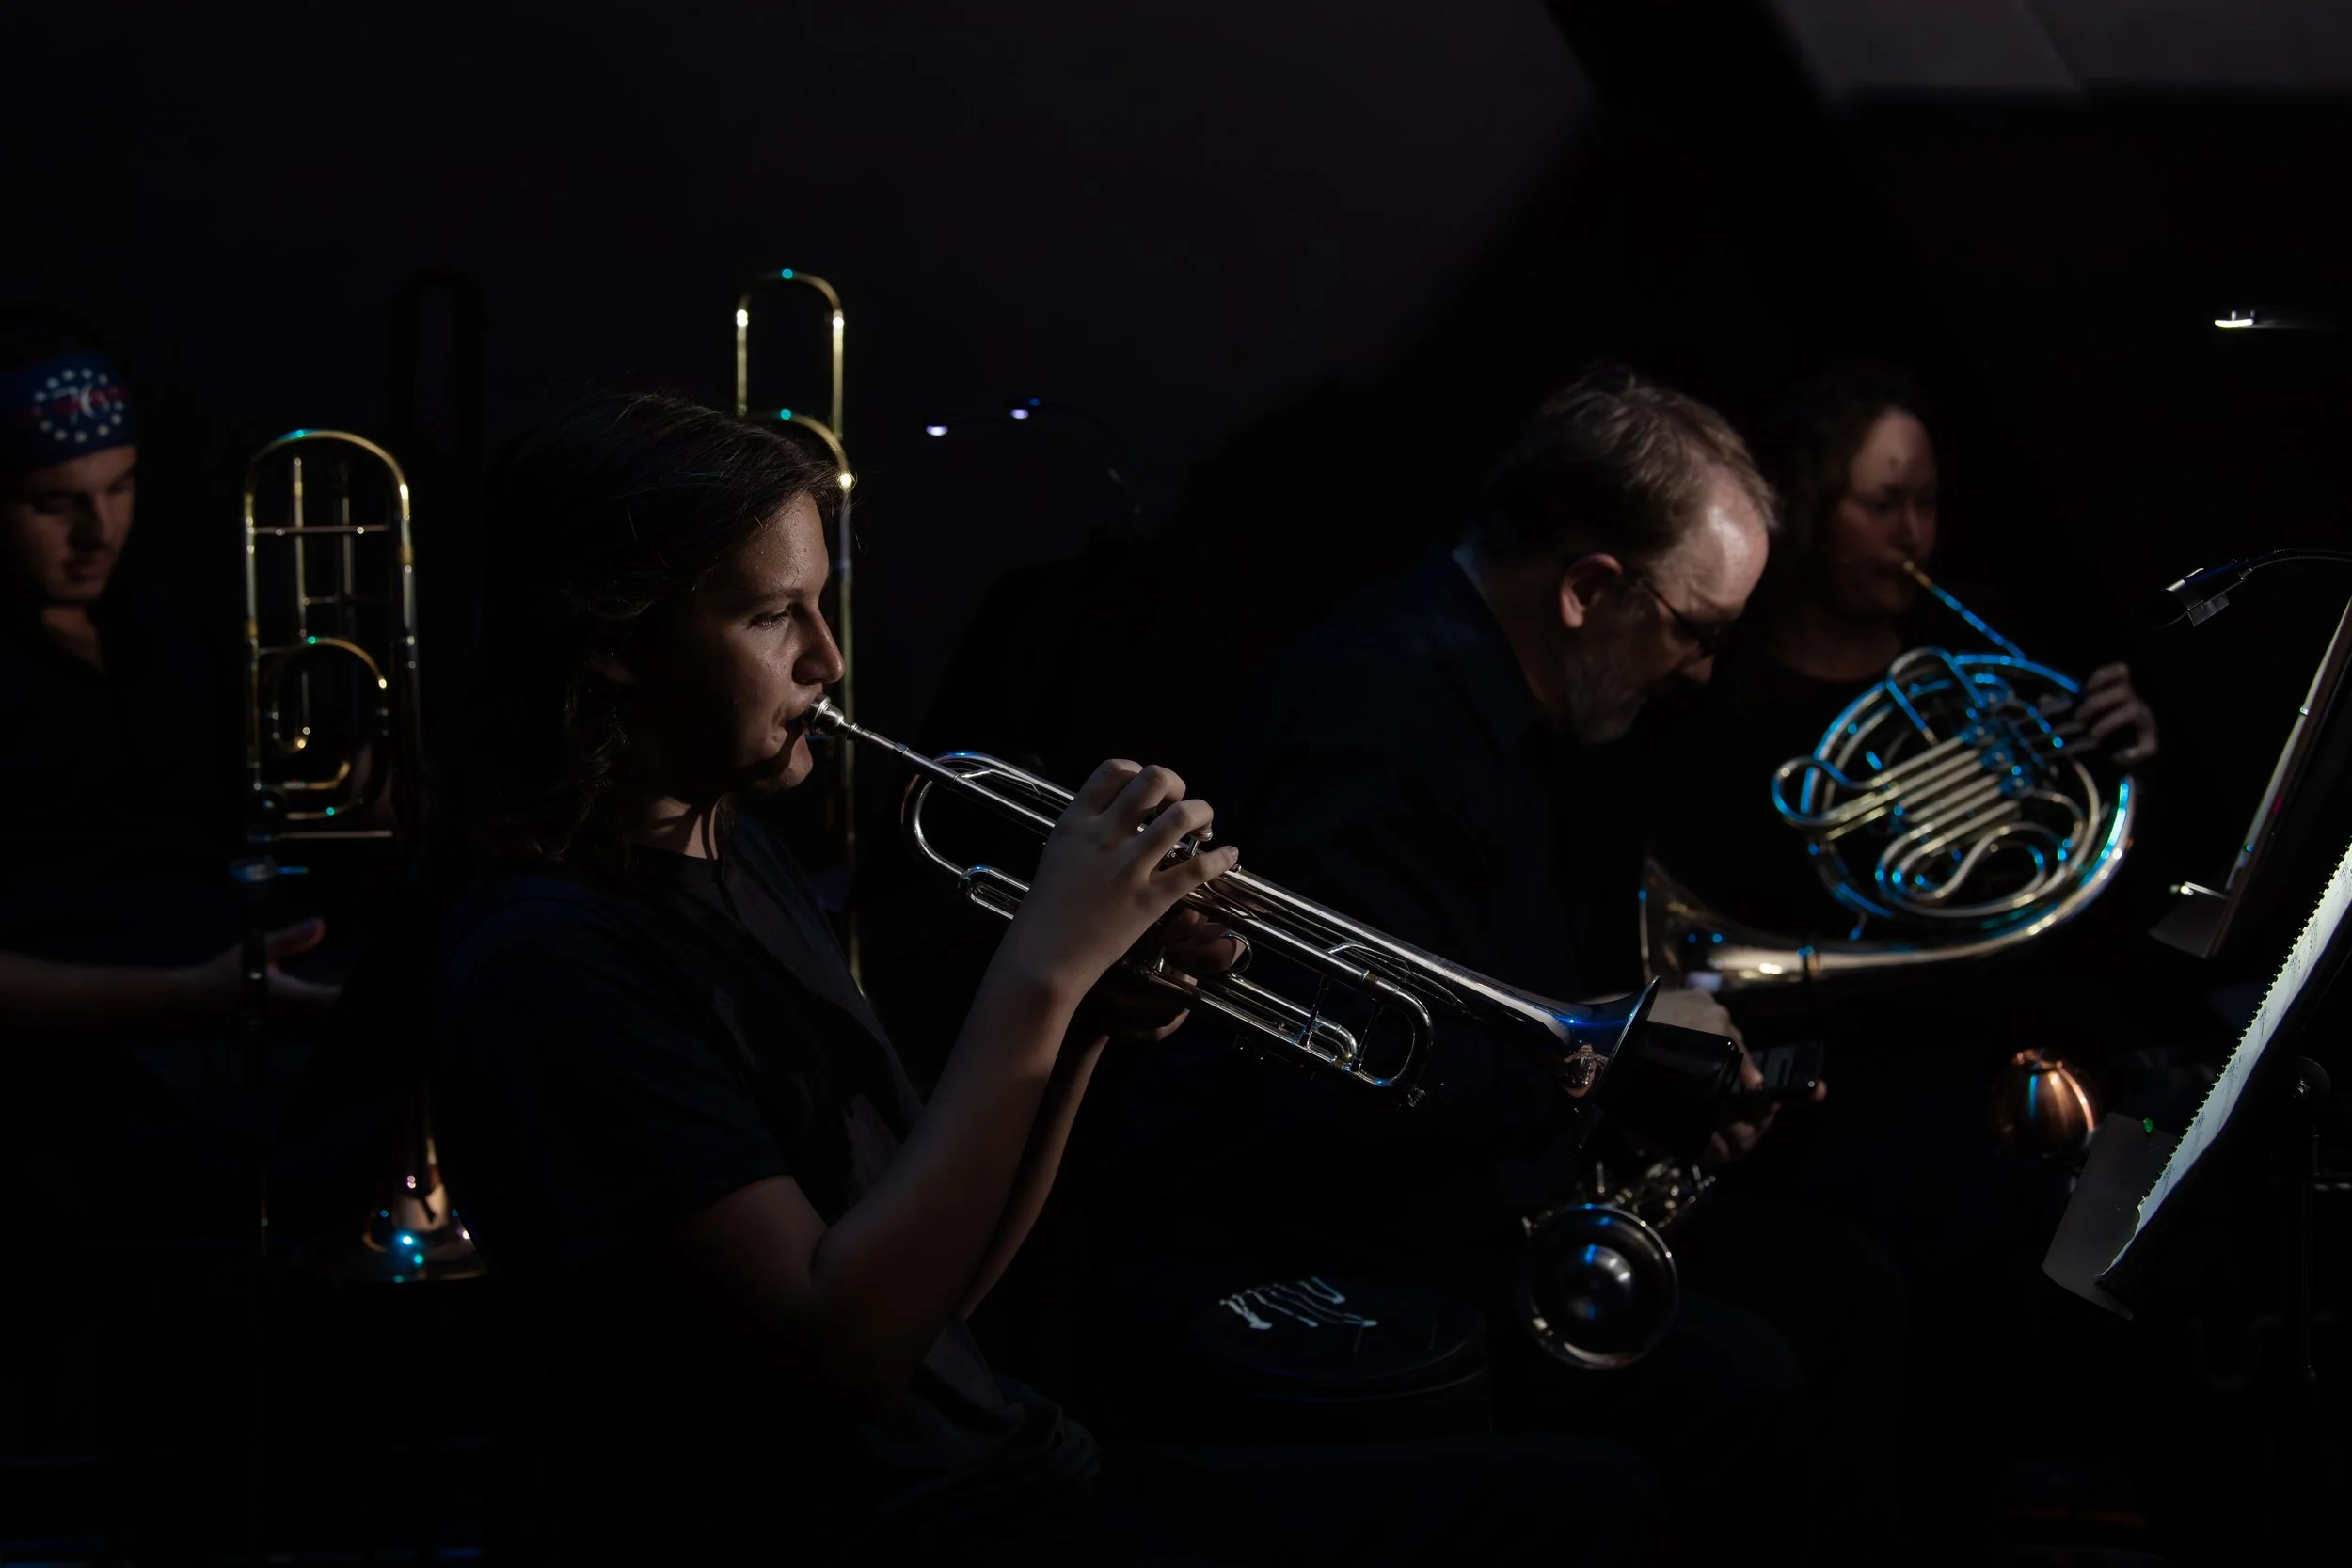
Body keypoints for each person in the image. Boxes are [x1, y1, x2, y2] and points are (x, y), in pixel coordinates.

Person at [425, 391, 1661, 1565]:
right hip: (900, 1528)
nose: (828, 658)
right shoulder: (554, 961)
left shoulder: (728, 846)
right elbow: (847, 1346)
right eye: (769, 616)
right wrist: (1041, 964)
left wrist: (1086, 1020)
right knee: (1581, 1516)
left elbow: (937, 1291)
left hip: (1004, 1464)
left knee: (1592, 1497)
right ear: (616, 643)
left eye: (822, 604)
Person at [1093, 367, 1907, 1562]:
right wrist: (1617, 1073)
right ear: (1588, 588)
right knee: (1752, 1375)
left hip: (1462, 1184)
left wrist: (1651, 1096)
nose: (1697, 671)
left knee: (1851, 1282)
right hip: (1333, 1239)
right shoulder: (1381, 718)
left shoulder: (1517, 699)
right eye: (1695, 631)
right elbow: (1347, 1081)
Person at [1635, 362, 2166, 1555]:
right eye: (1881, 503)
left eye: (1926, 500)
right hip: (1823, 1076)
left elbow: (2068, 885)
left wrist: (2121, 762)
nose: (1912, 532)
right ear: (1808, 503)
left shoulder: (1978, 651)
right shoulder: (1733, 689)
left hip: (1984, 1049)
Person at [0, 314, 336, 1238]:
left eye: (121, 485)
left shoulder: (158, 623)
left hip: (228, 1008)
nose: (97, 529)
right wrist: (194, 995)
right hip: (88, 1059)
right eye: (50, 502)